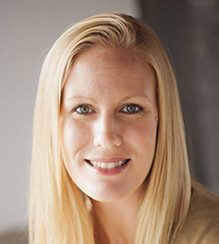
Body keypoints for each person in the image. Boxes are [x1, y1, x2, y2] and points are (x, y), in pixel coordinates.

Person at [28, 12, 219, 244]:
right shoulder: (57, 234)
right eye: (83, 109)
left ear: (161, 117)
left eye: (130, 108)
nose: (106, 137)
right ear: (53, 124)